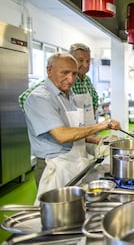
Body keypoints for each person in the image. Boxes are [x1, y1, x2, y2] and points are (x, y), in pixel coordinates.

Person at [23, 52, 121, 203]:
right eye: (65, 73)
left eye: (74, 73)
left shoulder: (68, 95)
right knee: (56, 216)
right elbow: (62, 135)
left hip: (74, 163)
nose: (70, 79)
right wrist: (103, 125)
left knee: (74, 212)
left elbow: (75, 131)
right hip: (54, 167)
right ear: (49, 70)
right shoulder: (40, 98)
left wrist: (100, 140)